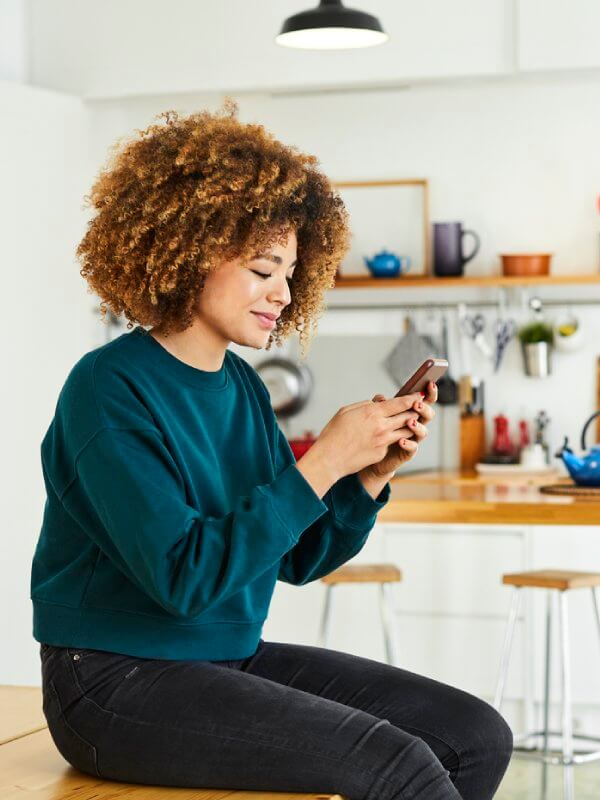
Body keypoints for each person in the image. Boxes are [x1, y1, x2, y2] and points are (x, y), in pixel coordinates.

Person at [31, 98, 513, 800]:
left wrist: (366, 476)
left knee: (474, 736)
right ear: (189, 250)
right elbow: (183, 578)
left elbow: (295, 558)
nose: (283, 294)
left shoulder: (245, 390)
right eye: (264, 269)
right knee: (399, 769)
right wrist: (322, 460)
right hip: (110, 680)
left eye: (290, 272)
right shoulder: (108, 388)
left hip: (223, 658)